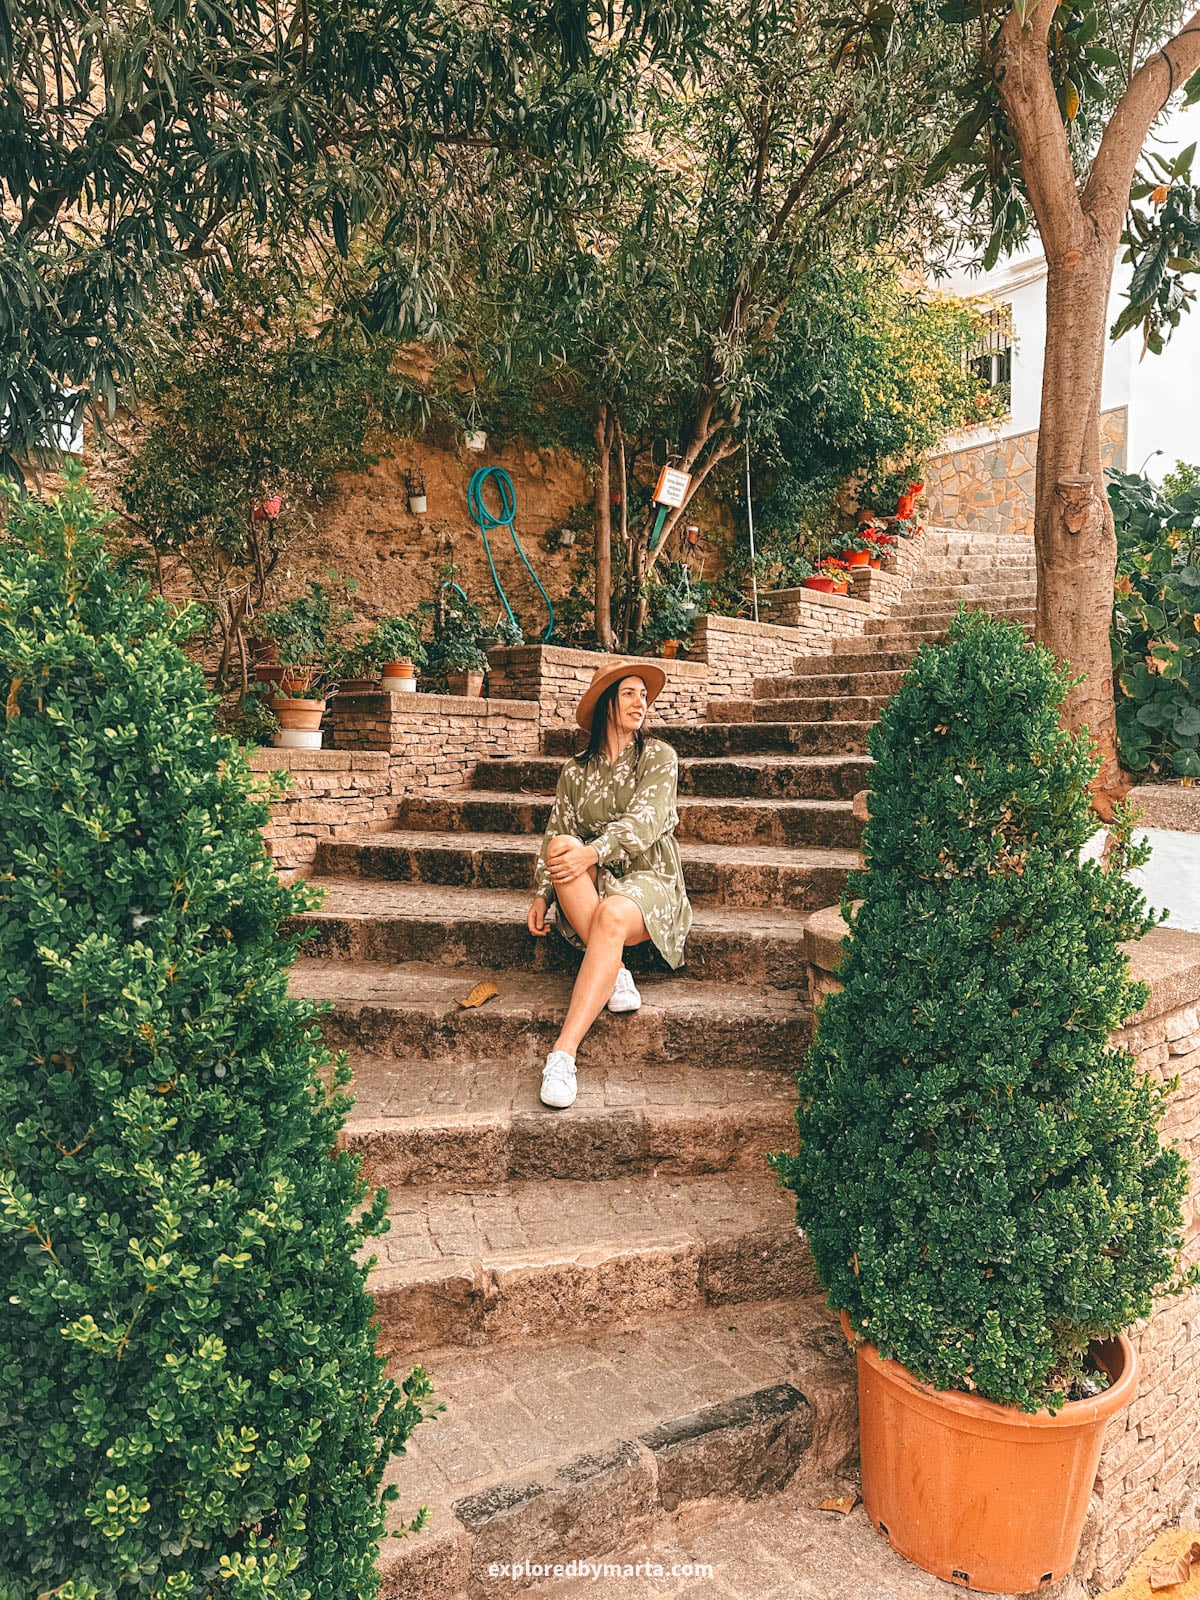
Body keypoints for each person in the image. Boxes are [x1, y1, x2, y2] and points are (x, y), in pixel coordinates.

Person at [527, 659, 693, 1109]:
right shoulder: (574, 772)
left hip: (649, 876)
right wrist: (543, 892)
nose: (641, 702)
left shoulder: (658, 757)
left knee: (614, 912)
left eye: (645, 695)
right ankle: (615, 970)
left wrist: (593, 852)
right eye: (630, 693)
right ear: (606, 703)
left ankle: (562, 1052)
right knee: (562, 845)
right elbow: (553, 833)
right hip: (597, 879)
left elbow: (646, 821)